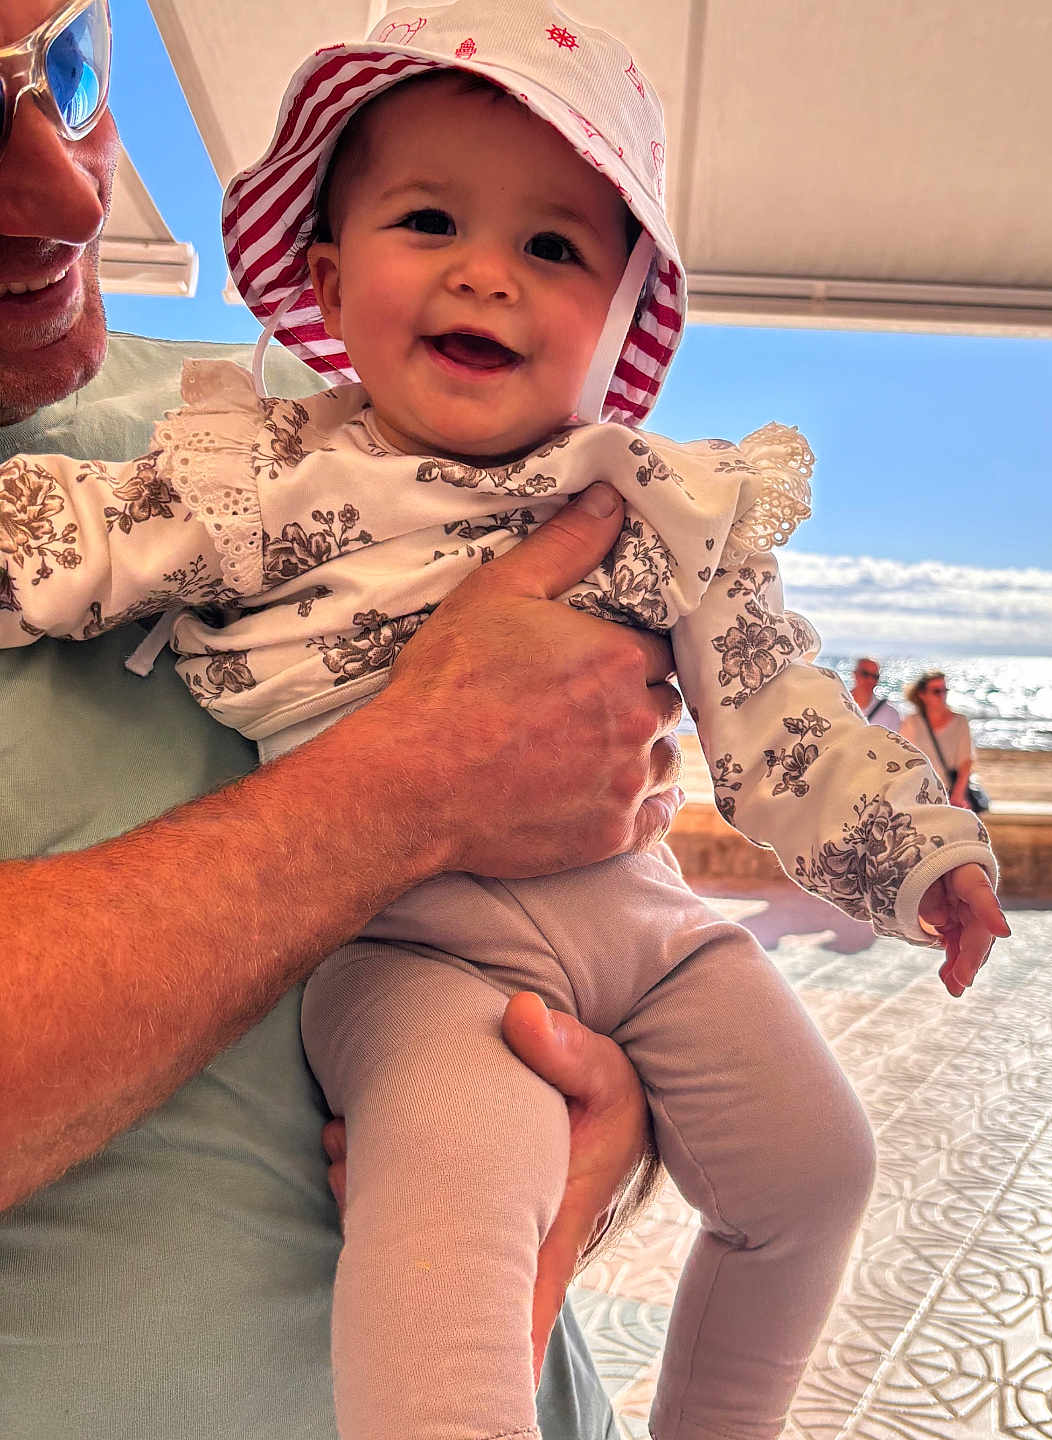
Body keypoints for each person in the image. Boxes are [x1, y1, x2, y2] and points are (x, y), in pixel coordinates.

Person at [0, 3, 1010, 1436]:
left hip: (644, 928)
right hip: (423, 957)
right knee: (453, 1201)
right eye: (430, 223)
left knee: (815, 1168)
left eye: (554, 248)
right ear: (332, 281)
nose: (487, 276)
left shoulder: (654, 498)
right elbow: (88, 549)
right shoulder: (257, 476)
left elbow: (774, 705)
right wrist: (415, 778)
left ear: (619, 327)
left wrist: (921, 854)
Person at [0, 0, 678, 1435]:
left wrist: (608, 1092)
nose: (70, 185)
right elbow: (462, 769)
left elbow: (596, 796)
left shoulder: (297, 429)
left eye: (63, 67)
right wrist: (403, 790)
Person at [902, 669, 984, 811]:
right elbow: (904, 759)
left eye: (944, 690)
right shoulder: (912, 722)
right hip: (919, 795)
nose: (942, 695)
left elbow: (966, 762)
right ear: (922, 695)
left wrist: (957, 795)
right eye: (936, 691)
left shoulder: (960, 722)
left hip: (950, 796)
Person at [849, 655, 902, 729]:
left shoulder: (891, 714)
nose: (870, 680)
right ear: (854, 674)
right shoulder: (837, 704)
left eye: (875, 676)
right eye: (865, 674)